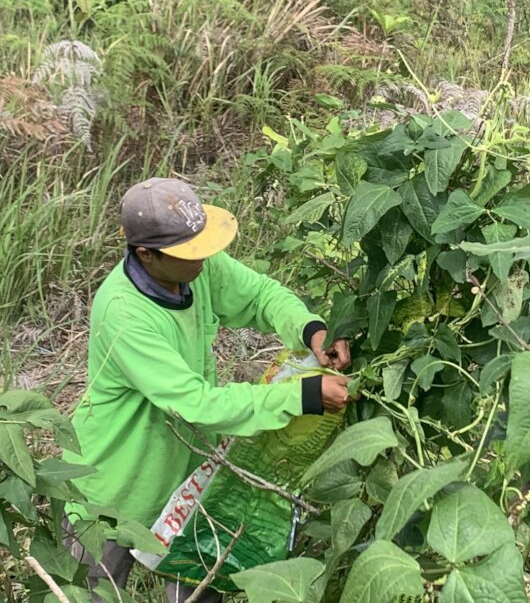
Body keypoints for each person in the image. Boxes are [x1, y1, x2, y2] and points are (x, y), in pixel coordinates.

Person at [62, 177, 352, 603]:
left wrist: (312, 331)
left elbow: (260, 295)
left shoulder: (195, 266)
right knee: (91, 592)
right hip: (111, 488)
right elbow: (194, 403)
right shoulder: (124, 313)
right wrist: (305, 395)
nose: (206, 257)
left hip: (187, 474)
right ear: (145, 254)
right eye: (190, 251)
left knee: (199, 592)